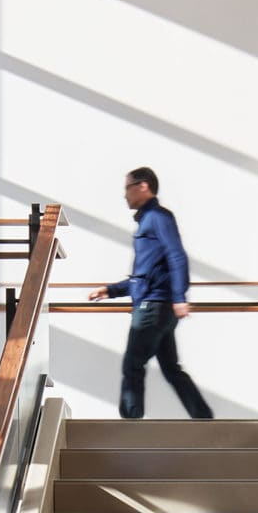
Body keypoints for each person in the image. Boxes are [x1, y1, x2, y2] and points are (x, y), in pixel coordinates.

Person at [86, 166, 214, 420]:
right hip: (158, 305)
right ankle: (204, 418)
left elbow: (177, 256)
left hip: (154, 307)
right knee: (171, 368)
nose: (125, 195)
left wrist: (179, 297)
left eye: (127, 188)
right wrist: (110, 290)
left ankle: (131, 424)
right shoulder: (148, 220)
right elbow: (145, 274)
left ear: (143, 186)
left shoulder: (158, 217)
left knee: (132, 365)